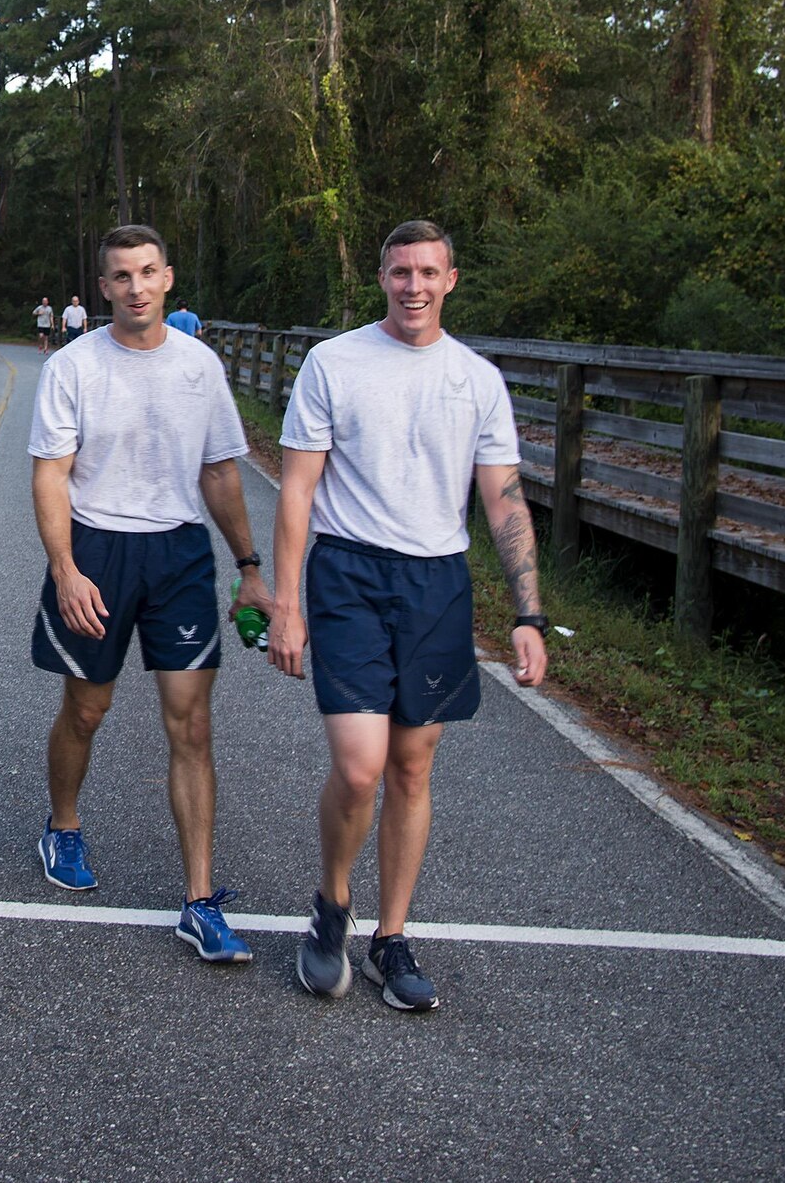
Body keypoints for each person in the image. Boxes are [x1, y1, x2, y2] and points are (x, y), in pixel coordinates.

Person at [270, 218, 547, 1012]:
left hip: (436, 582)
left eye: (428, 272)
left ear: (451, 279)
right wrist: (287, 603)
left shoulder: (477, 379)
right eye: (400, 272)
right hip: (350, 573)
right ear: (383, 278)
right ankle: (331, 906)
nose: (414, 285)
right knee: (360, 766)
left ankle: (392, 935)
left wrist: (527, 611)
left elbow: (502, 498)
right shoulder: (336, 362)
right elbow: (297, 489)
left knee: (412, 766)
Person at [29, 224, 273, 964]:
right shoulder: (73, 366)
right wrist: (67, 570)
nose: (135, 287)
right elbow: (50, 474)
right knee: (87, 707)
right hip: (97, 548)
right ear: (102, 288)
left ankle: (199, 900)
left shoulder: (200, 366)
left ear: (167, 277)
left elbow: (222, 473)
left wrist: (251, 566)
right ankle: (63, 826)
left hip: (178, 554)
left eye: (147, 272)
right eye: (120, 276)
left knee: (191, 726)